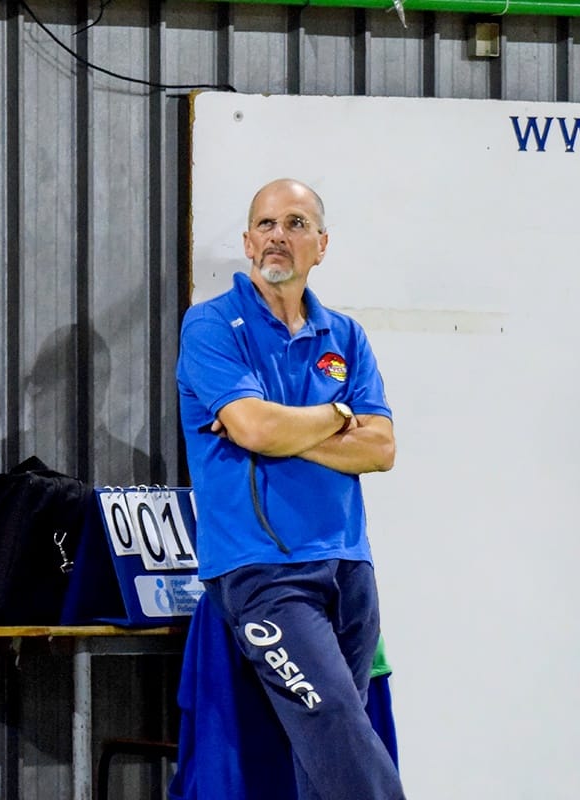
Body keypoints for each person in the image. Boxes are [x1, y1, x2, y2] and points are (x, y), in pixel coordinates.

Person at [176, 178, 405, 800]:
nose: (280, 235)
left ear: (321, 245)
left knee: (328, 752)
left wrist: (281, 428)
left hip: (348, 565)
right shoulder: (212, 327)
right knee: (333, 722)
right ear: (249, 242)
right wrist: (335, 417)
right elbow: (250, 426)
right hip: (265, 574)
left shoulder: (346, 338)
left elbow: (381, 448)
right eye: (268, 224)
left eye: (297, 223)